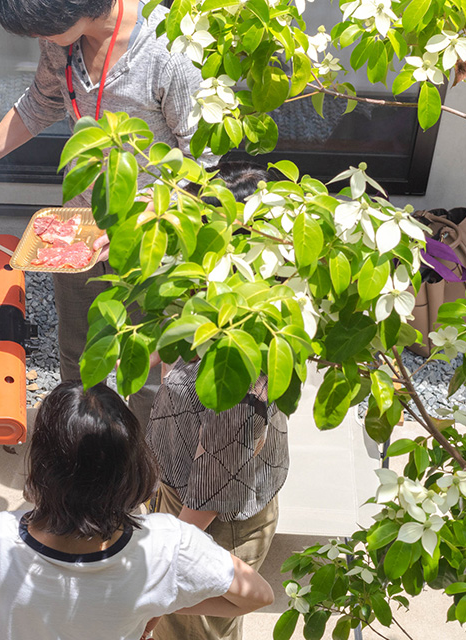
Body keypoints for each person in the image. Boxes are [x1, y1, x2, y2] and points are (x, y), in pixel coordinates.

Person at [0, 0, 214, 427]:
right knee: (76, 349)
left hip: (153, 237)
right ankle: (80, 446)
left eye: (42, 29)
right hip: (78, 227)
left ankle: (146, 466)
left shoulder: (169, 51)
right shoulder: (63, 42)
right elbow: (40, 102)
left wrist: (142, 218)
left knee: (149, 365)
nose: (39, 39)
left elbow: (203, 163)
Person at [0, 381, 274, 640]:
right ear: (134, 467)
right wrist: (168, 597)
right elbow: (257, 596)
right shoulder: (168, 546)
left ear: (41, 465)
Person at [146, 161, 290, 640]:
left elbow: (220, 469)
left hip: (212, 521)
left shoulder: (246, 347)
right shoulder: (224, 296)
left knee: (190, 630)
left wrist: (170, 548)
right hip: (185, 499)